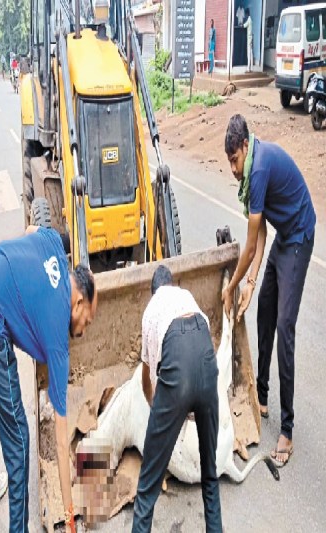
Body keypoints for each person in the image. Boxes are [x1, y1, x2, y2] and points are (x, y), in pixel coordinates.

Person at [0, 226, 97, 533]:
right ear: (78, 302)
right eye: (88, 321)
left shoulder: (53, 243)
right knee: (18, 437)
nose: (85, 329)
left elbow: (31, 228)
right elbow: (60, 435)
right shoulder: (57, 336)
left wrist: (26, 284)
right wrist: (70, 519)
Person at [221, 114, 316, 468]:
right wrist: (250, 283)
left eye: (234, 159)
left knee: (284, 327)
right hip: (281, 236)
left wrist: (231, 287)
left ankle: (287, 431)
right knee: (263, 310)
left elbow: (246, 249)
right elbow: (259, 236)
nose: (232, 168)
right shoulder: (252, 170)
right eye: (228, 161)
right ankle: (261, 396)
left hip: (299, 236)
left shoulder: (257, 171)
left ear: (245, 146)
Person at [132, 265, 221, 532]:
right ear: (172, 283)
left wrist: (158, 413)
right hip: (207, 365)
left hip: (177, 366)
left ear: (154, 291)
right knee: (210, 474)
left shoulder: (151, 311)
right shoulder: (186, 297)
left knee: (147, 489)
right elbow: (204, 358)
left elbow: (147, 379)